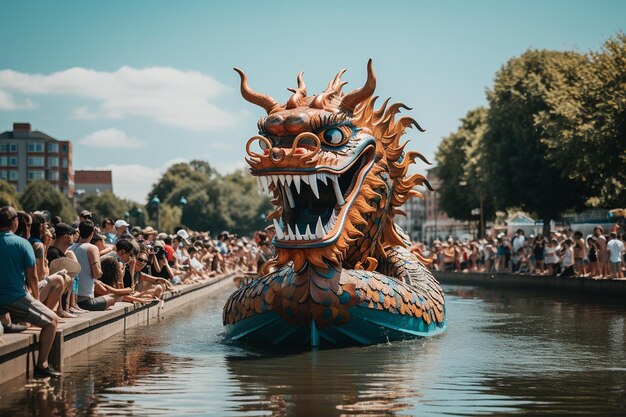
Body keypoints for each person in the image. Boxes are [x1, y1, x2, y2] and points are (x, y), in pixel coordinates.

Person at [0, 206, 61, 377]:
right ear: (15, 222)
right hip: (15, 297)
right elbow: (33, 277)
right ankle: (42, 365)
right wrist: (36, 299)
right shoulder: (23, 244)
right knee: (52, 321)